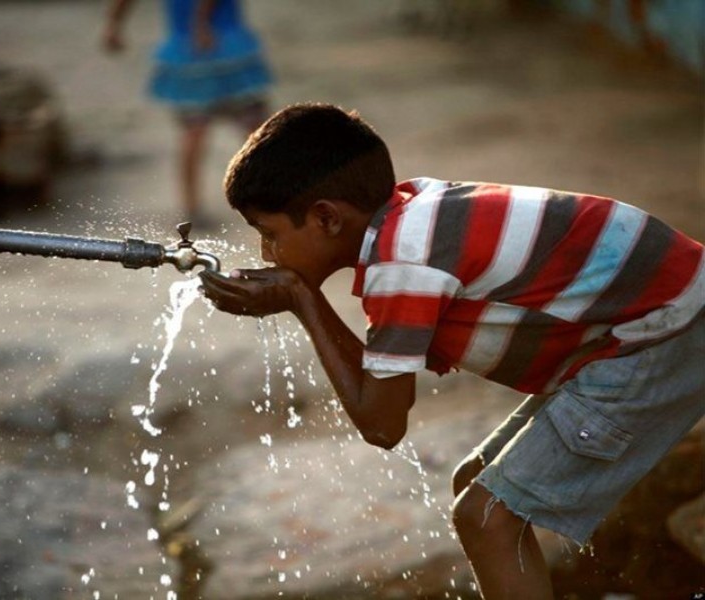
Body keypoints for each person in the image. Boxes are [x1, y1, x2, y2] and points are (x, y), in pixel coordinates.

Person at [199, 102, 705, 599]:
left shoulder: (404, 263)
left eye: (269, 235)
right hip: (653, 319)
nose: (267, 253)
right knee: (477, 486)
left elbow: (382, 423)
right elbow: (380, 394)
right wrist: (300, 296)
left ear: (327, 218)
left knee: (487, 518)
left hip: (668, 331)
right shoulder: (409, 217)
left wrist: (301, 300)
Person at [102, 0, 273, 227]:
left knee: (197, 132)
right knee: (256, 132)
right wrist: (200, 24)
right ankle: (272, 199)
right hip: (223, 46)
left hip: (189, 51)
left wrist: (114, 24)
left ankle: (193, 207)